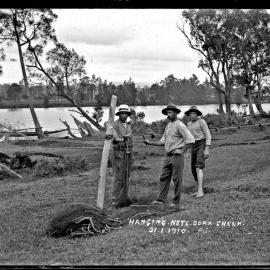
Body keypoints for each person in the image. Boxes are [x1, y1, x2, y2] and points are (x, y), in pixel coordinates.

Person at [143, 104, 195, 209]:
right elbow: (163, 141)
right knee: (163, 178)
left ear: (176, 113)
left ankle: (176, 202)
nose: (168, 114)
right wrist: (149, 142)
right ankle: (161, 199)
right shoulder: (168, 126)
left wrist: (182, 151)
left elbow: (191, 140)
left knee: (177, 179)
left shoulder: (180, 125)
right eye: (167, 113)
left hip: (177, 156)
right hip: (167, 157)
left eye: (170, 112)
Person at [184, 105, 211, 198]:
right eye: (190, 113)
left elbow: (208, 134)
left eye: (194, 113)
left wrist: (207, 148)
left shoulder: (201, 121)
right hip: (193, 145)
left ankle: (200, 191)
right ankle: (197, 188)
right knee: (193, 169)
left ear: (197, 114)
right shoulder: (188, 124)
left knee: (198, 167)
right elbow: (189, 138)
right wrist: (187, 152)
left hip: (201, 144)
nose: (192, 115)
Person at [111, 104, 133, 207]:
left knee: (127, 175)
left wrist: (126, 138)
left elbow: (130, 136)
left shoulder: (128, 125)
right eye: (122, 113)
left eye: (125, 113)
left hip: (128, 152)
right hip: (118, 152)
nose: (124, 115)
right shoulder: (115, 124)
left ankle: (124, 196)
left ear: (128, 114)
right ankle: (115, 198)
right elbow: (114, 138)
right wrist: (123, 138)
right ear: (119, 114)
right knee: (119, 176)